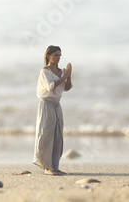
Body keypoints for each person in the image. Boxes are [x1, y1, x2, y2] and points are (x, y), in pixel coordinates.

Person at [33, 45, 73, 175]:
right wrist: (64, 76)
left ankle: (54, 166)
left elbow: (67, 88)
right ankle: (47, 167)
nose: (58, 58)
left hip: (57, 104)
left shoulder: (61, 71)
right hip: (46, 104)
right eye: (56, 55)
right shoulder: (45, 71)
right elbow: (50, 87)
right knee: (46, 133)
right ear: (49, 56)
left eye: (60, 55)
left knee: (57, 135)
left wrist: (68, 75)